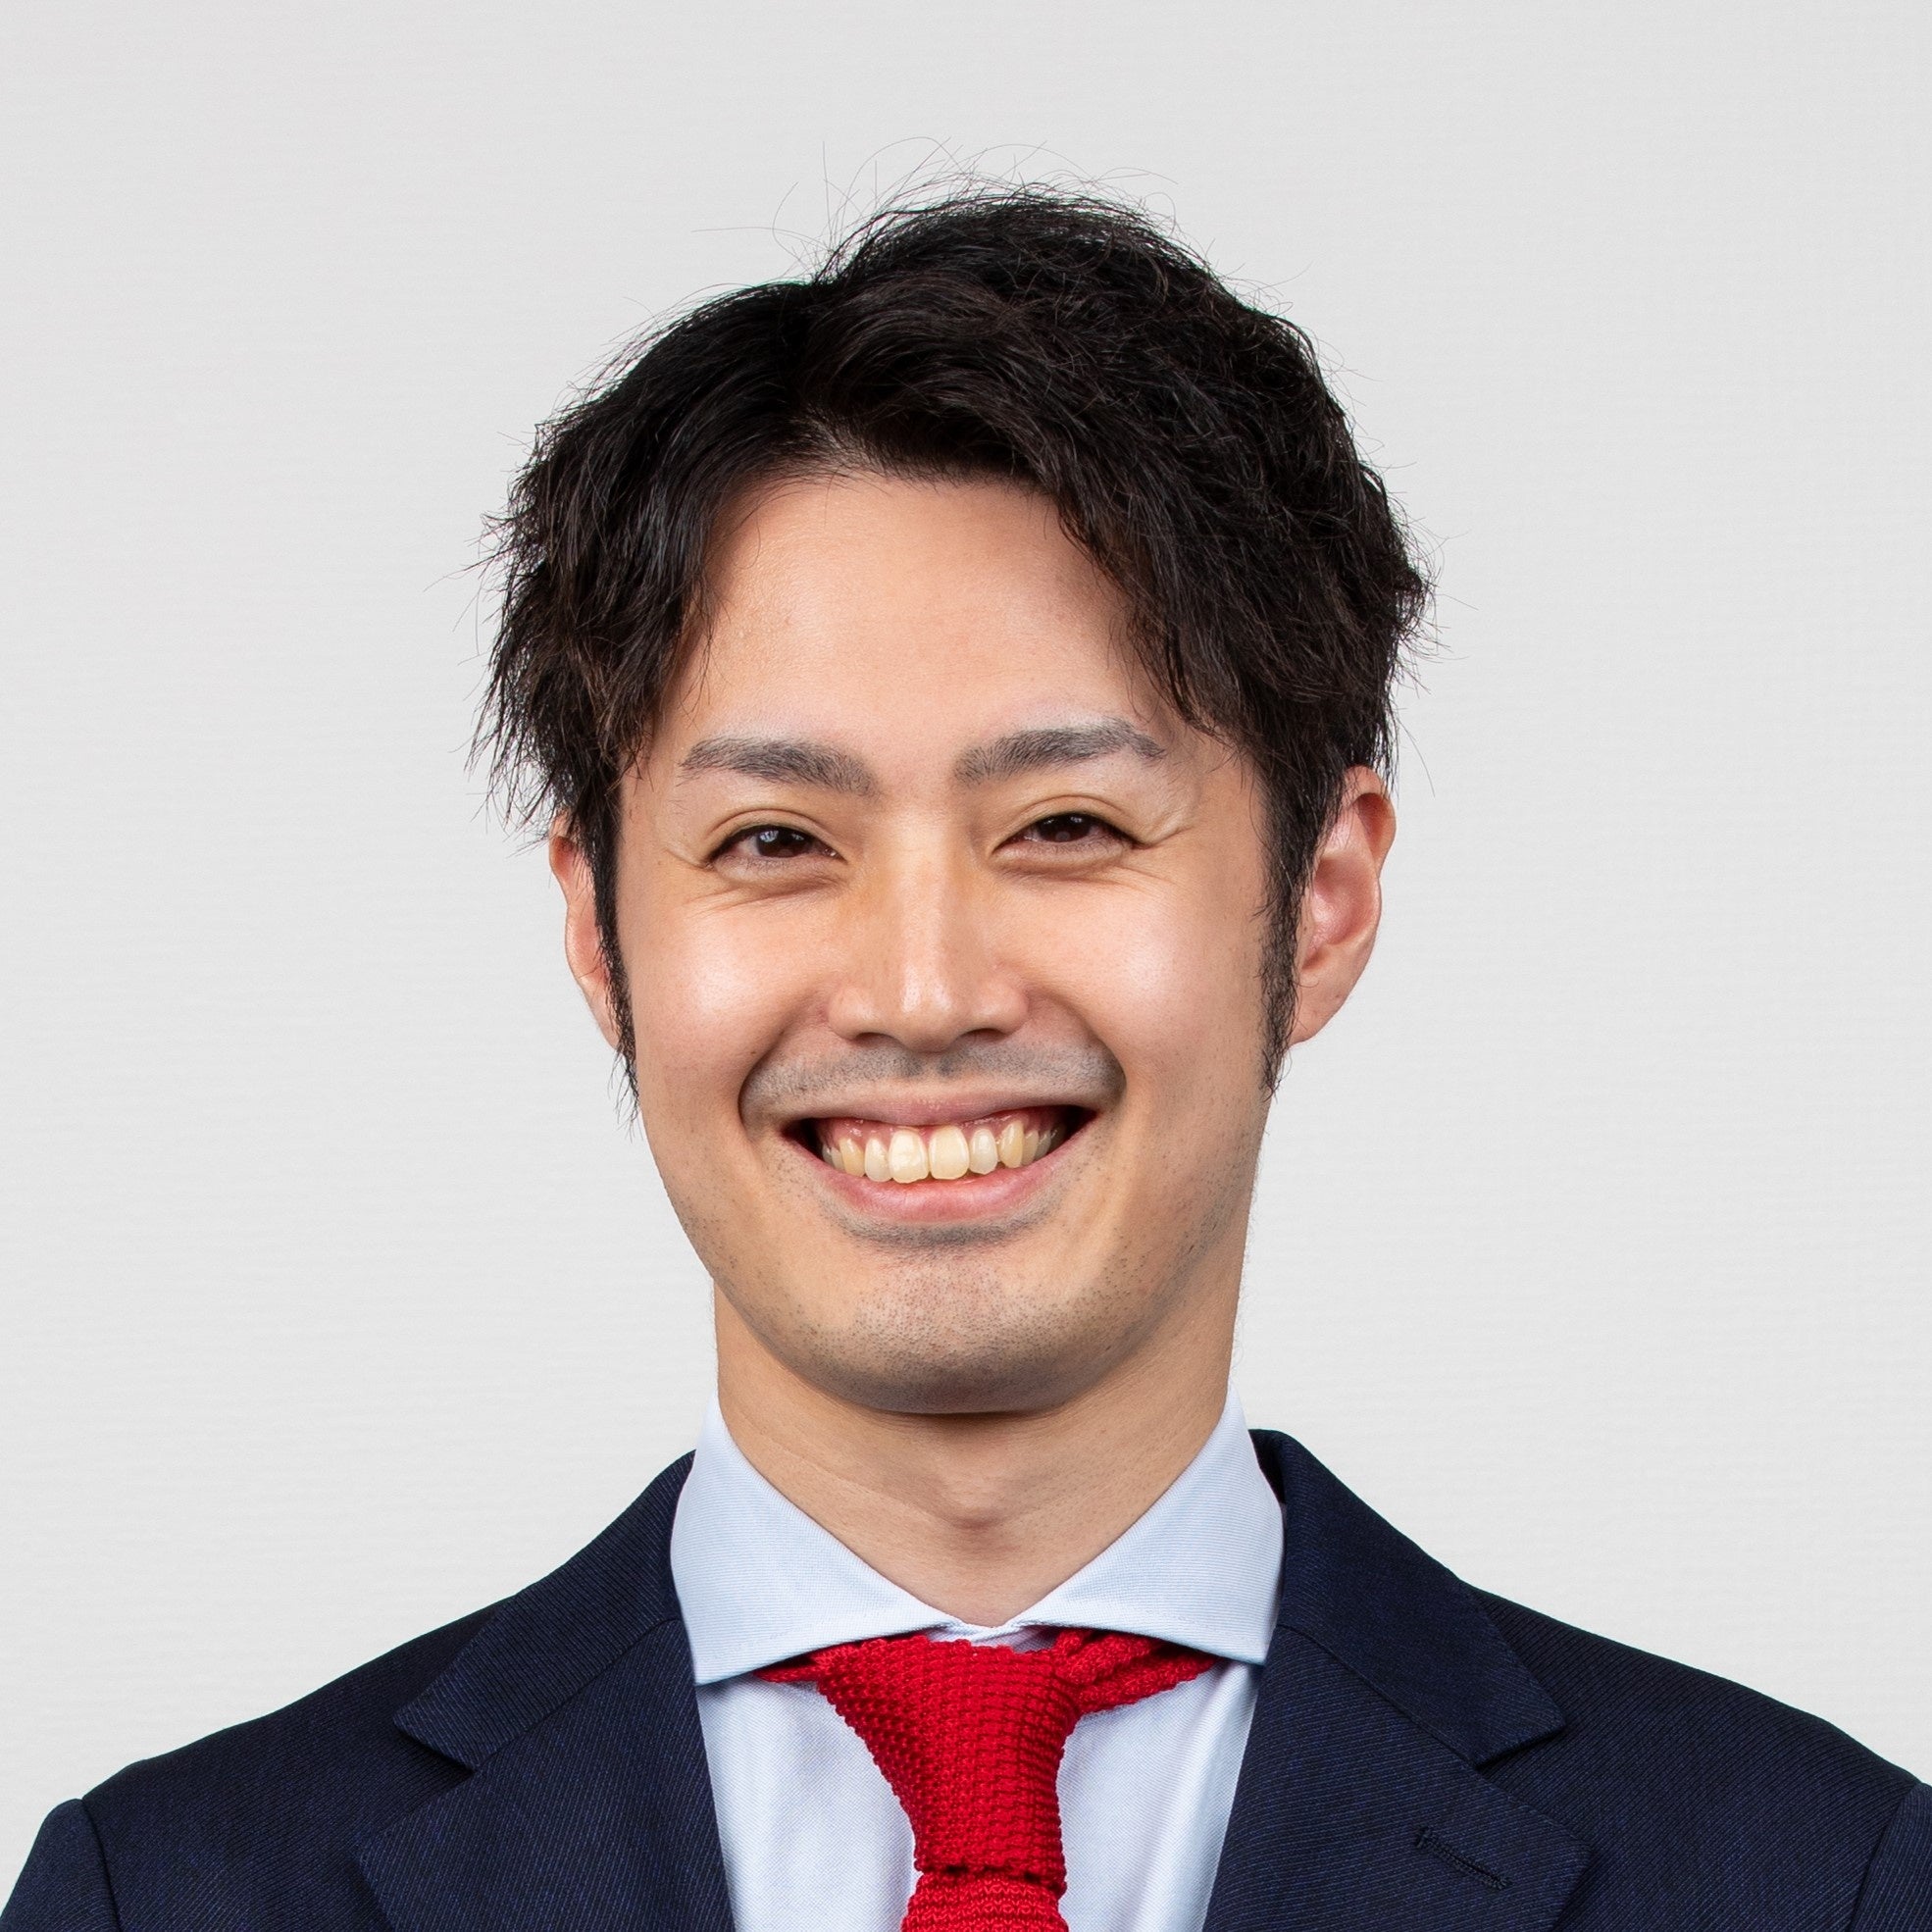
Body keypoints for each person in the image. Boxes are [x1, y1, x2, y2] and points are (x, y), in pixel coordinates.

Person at [5, 186, 1927, 1932]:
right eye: (775, 839)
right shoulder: (163, 1895)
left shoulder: (1811, 1879)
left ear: (1320, 900)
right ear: (600, 929)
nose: (920, 989)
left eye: (1066, 826)